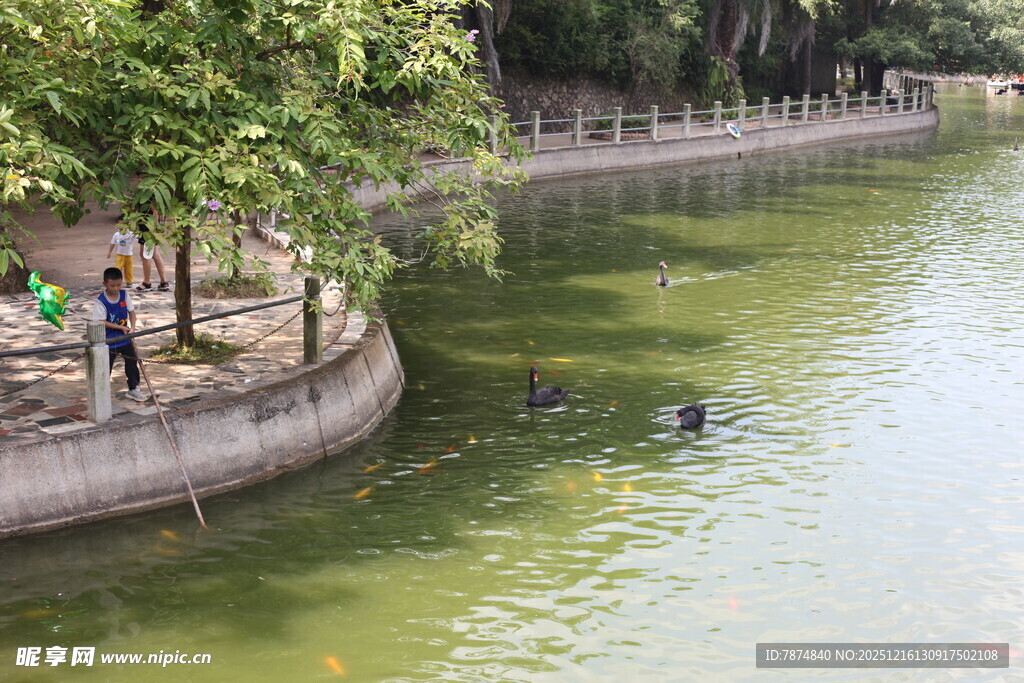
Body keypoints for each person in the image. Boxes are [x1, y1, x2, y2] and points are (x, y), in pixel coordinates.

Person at [91, 266, 148, 402]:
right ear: (105, 284)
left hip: (125, 339)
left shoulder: (124, 295)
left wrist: (132, 328)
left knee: (132, 363)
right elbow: (101, 321)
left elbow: (132, 312)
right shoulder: (101, 302)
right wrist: (119, 327)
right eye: (112, 285)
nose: (116, 288)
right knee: (106, 367)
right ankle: (102, 394)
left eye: (118, 285)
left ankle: (134, 388)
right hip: (108, 341)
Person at [130, 208, 170, 292]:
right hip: (147, 228)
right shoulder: (142, 196)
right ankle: (164, 282)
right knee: (155, 255)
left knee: (145, 255)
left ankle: (147, 282)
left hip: (148, 230)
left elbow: (155, 211)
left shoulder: (149, 196)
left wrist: (152, 230)